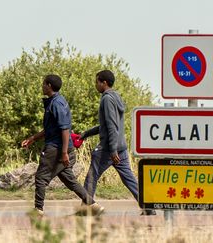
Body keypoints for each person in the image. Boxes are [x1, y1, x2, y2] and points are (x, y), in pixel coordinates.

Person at [21, 74, 104, 216]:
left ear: (49, 86)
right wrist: (33, 138)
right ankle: (93, 205)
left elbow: (65, 129)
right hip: (59, 147)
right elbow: (51, 128)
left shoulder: (57, 104)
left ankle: (38, 210)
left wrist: (64, 152)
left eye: (43, 84)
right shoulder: (55, 101)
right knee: (68, 179)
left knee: (41, 178)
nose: (42, 86)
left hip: (56, 148)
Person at [79, 70, 156, 216]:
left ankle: (85, 208)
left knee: (92, 175)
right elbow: (107, 125)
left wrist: (112, 150)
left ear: (104, 83)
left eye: (97, 82)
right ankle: (148, 206)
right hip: (120, 146)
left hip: (109, 148)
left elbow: (112, 126)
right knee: (129, 179)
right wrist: (86, 134)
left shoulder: (107, 99)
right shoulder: (116, 97)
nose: (96, 85)